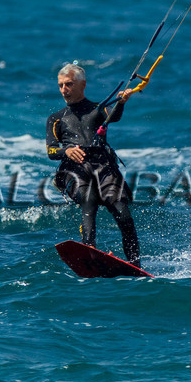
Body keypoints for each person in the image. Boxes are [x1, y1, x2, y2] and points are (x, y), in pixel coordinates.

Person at [45, 62, 140, 265]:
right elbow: (51, 151)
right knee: (88, 197)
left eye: (69, 84)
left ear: (83, 84)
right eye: (61, 85)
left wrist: (122, 101)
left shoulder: (99, 109)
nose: (64, 90)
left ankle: (135, 264)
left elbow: (114, 116)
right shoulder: (56, 119)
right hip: (74, 170)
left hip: (103, 167)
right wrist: (66, 151)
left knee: (123, 213)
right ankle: (89, 250)